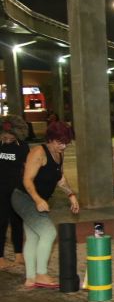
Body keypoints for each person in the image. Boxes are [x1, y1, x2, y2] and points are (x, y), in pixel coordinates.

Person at [11, 122, 79, 288]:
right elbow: (27, 180)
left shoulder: (59, 155)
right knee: (48, 233)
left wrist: (71, 195)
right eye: (60, 142)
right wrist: (38, 199)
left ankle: (30, 278)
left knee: (34, 236)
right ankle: (41, 274)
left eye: (66, 142)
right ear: (51, 139)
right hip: (24, 198)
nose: (63, 146)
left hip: (36, 200)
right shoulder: (38, 152)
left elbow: (60, 178)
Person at [0, 115, 29, 269]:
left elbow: (27, 167)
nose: (6, 137)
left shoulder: (23, 147)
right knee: (1, 222)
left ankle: (19, 254)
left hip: (16, 189)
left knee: (17, 221)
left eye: (10, 135)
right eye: (4, 135)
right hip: (0, 189)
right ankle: (0, 257)